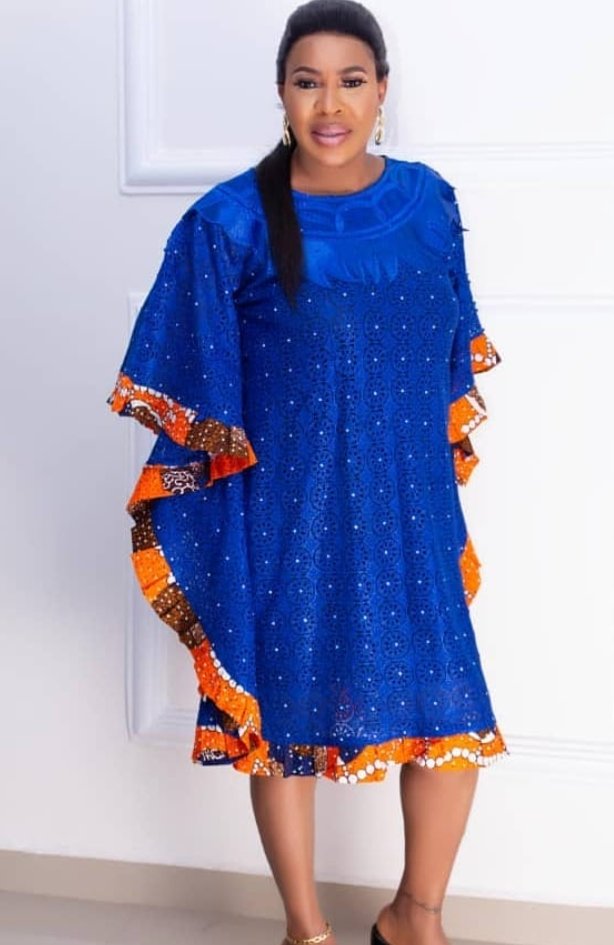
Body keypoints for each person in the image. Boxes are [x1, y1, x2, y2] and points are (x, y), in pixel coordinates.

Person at [106, 2, 510, 943]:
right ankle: (306, 929)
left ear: (382, 90)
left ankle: (415, 917)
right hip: (289, 513)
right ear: (282, 94)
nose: (331, 105)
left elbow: (445, 356)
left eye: (351, 81)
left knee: (448, 711)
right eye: (308, 82)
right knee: (283, 716)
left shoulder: (430, 204)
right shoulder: (228, 221)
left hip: (407, 508)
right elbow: (191, 375)